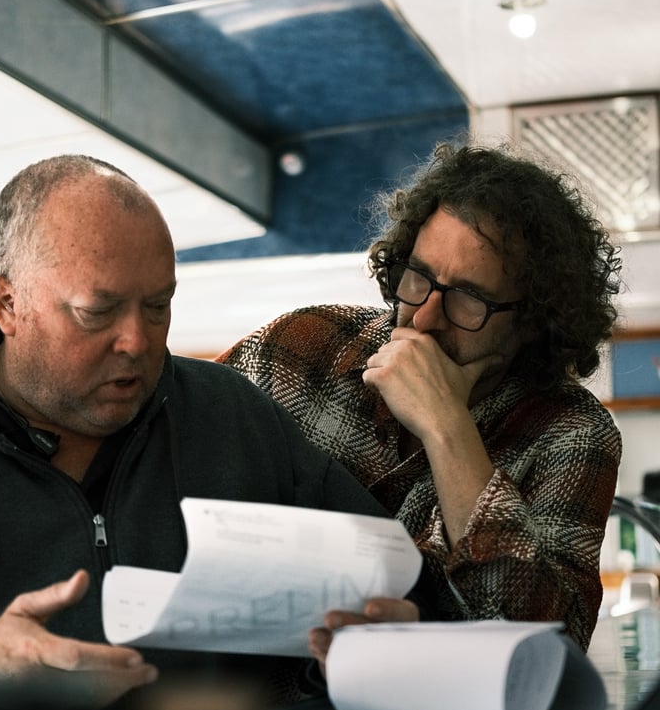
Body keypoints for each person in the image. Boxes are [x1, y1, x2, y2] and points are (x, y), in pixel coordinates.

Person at [0, 153, 395, 710]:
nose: (137, 340)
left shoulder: (232, 415)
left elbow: (388, 588)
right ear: (7, 303)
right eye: (97, 311)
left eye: (158, 306)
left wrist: (366, 638)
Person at [218, 141, 623, 666]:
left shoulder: (571, 433)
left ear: (533, 321)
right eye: (420, 277)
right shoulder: (304, 342)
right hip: (229, 691)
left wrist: (447, 427)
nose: (426, 317)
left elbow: (546, 651)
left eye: (469, 298)